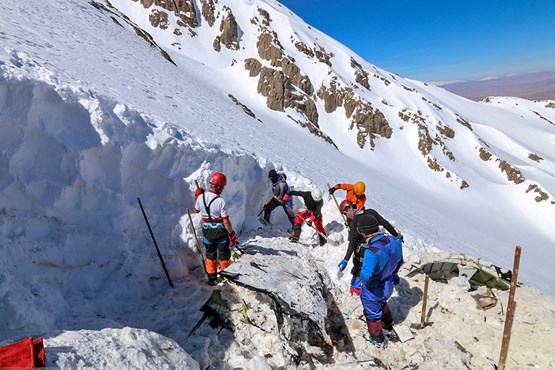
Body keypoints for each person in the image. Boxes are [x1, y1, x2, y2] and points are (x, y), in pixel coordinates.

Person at [357, 214, 404, 348]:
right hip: (388, 284)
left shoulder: (371, 252)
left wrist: (362, 279)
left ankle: (377, 338)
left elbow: (365, 275)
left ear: (364, 233)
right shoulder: (394, 241)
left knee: (372, 312)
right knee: (382, 303)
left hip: (374, 288)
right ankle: (387, 324)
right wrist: (393, 273)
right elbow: (400, 261)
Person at [337, 200, 400, 295]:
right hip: (376, 246)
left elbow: (352, 242)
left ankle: (355, 288)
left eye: (345, 214)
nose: (346, 216)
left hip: (362, 249)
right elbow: (385, 224)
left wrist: (346, 259)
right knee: (377, 265)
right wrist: (395, 235)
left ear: (349, 210)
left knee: (359, 267)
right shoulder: (371, 212)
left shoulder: (355, 221)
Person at [194, 172, 238, 285]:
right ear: (218, 186)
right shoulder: (220, 201)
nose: (222, 189)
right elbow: (226, 221)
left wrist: (197, 196)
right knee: (223, 255)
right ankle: (225, 276)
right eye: (222, 187)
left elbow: (196, 210)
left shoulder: (200, 197)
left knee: (210, 255)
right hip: (220, 232)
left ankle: (212, 278)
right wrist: (232, 234)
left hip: (207, 231)